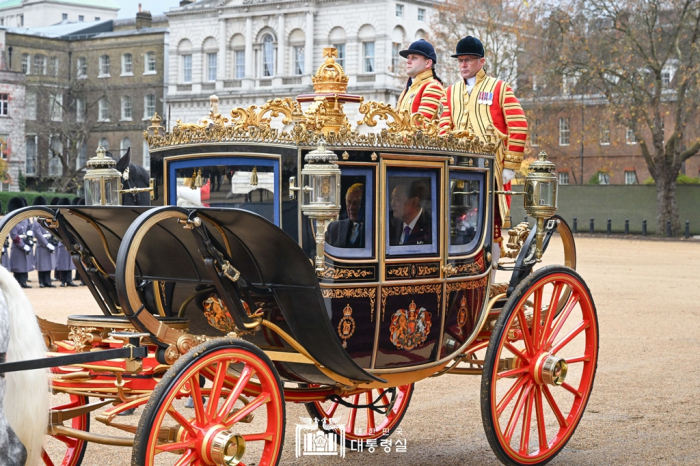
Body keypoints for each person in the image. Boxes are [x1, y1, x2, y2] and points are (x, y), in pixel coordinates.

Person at [439, 36, 528, 259]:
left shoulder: (499, 88)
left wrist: (511, 165)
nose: (463, 65)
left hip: (492, 170)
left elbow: (519, 124)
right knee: (454, 221)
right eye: (460, 61)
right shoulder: (451, 92)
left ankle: (492, 273)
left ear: (482, 61)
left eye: (468, 60)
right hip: (457, 168)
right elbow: (443, 126)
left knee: (492, 224)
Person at [396, 39, 445, 123]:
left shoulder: (433, 87)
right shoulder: (407, 90)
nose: (408, 61)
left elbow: (420, 127)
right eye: (408, 58)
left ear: (428, 63)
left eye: (414, 58)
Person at [389, 181, 432, 246]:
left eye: (397, 199)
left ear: (414, 202)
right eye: (392, 199)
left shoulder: (431, 228)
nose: (392, 204)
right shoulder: (389, 222)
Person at [326, 183, 364, 248]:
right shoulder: (334, 228)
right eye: (348, 202)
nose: (351, 207)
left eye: (356, 203)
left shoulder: (376, 229)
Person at [32, 220, 56, 288]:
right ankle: (41, 282)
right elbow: (37, 233)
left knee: (48, 264)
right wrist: (46, 244)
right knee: (42, 265)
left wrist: (53, 241)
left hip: (50, 242)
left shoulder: (48, 220)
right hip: (41, 244)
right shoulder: (36, 222)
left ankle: (48, 281)